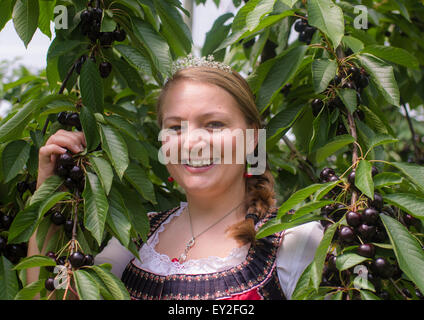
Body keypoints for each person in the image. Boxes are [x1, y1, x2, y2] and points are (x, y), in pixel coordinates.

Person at [29, 55, 324, 300]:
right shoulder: (135, 240)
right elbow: (49, 296)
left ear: (252, 138)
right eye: (175, 127)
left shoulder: (295, 241)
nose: (192, 142)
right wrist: (51, 187)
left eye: (214, 124)